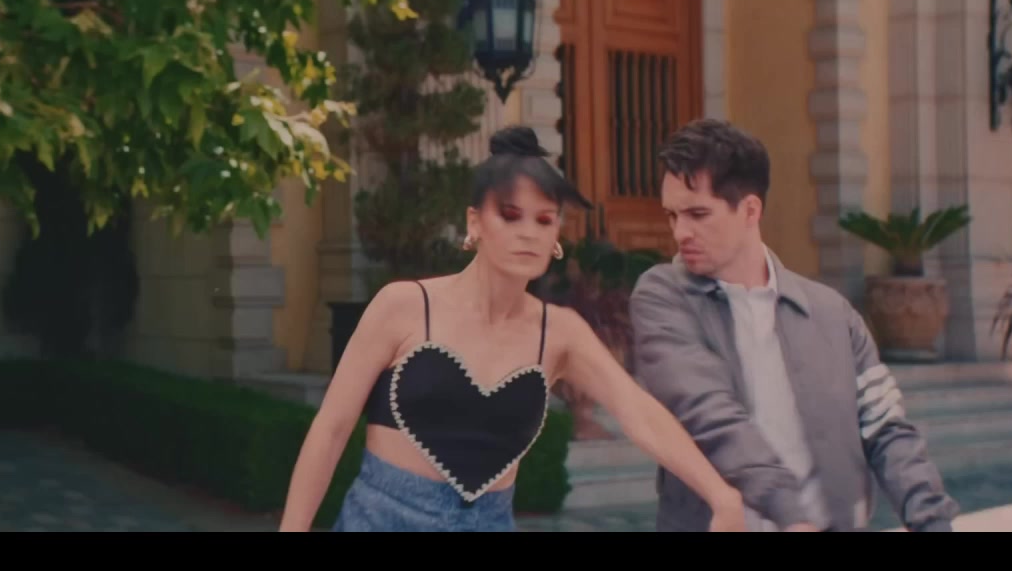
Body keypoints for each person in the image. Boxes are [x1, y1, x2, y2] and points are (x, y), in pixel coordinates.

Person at [278, 126, 748, 532]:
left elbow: (638, 411)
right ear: (474, 222)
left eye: (544, 220)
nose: (528, 233)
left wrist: (720, 493)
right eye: (510, 215)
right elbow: (332, 428)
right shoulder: (403, 306)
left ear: (556, 236)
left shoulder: (560, 332)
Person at [629, 118, 961, 532]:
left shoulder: (831, 313)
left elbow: (887, 428)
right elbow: (709, 414)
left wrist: (932, 521)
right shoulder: (662, 296)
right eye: (672, 215)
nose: (680, 232)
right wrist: (792, 517)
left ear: (750, 210)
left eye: (698, 214)